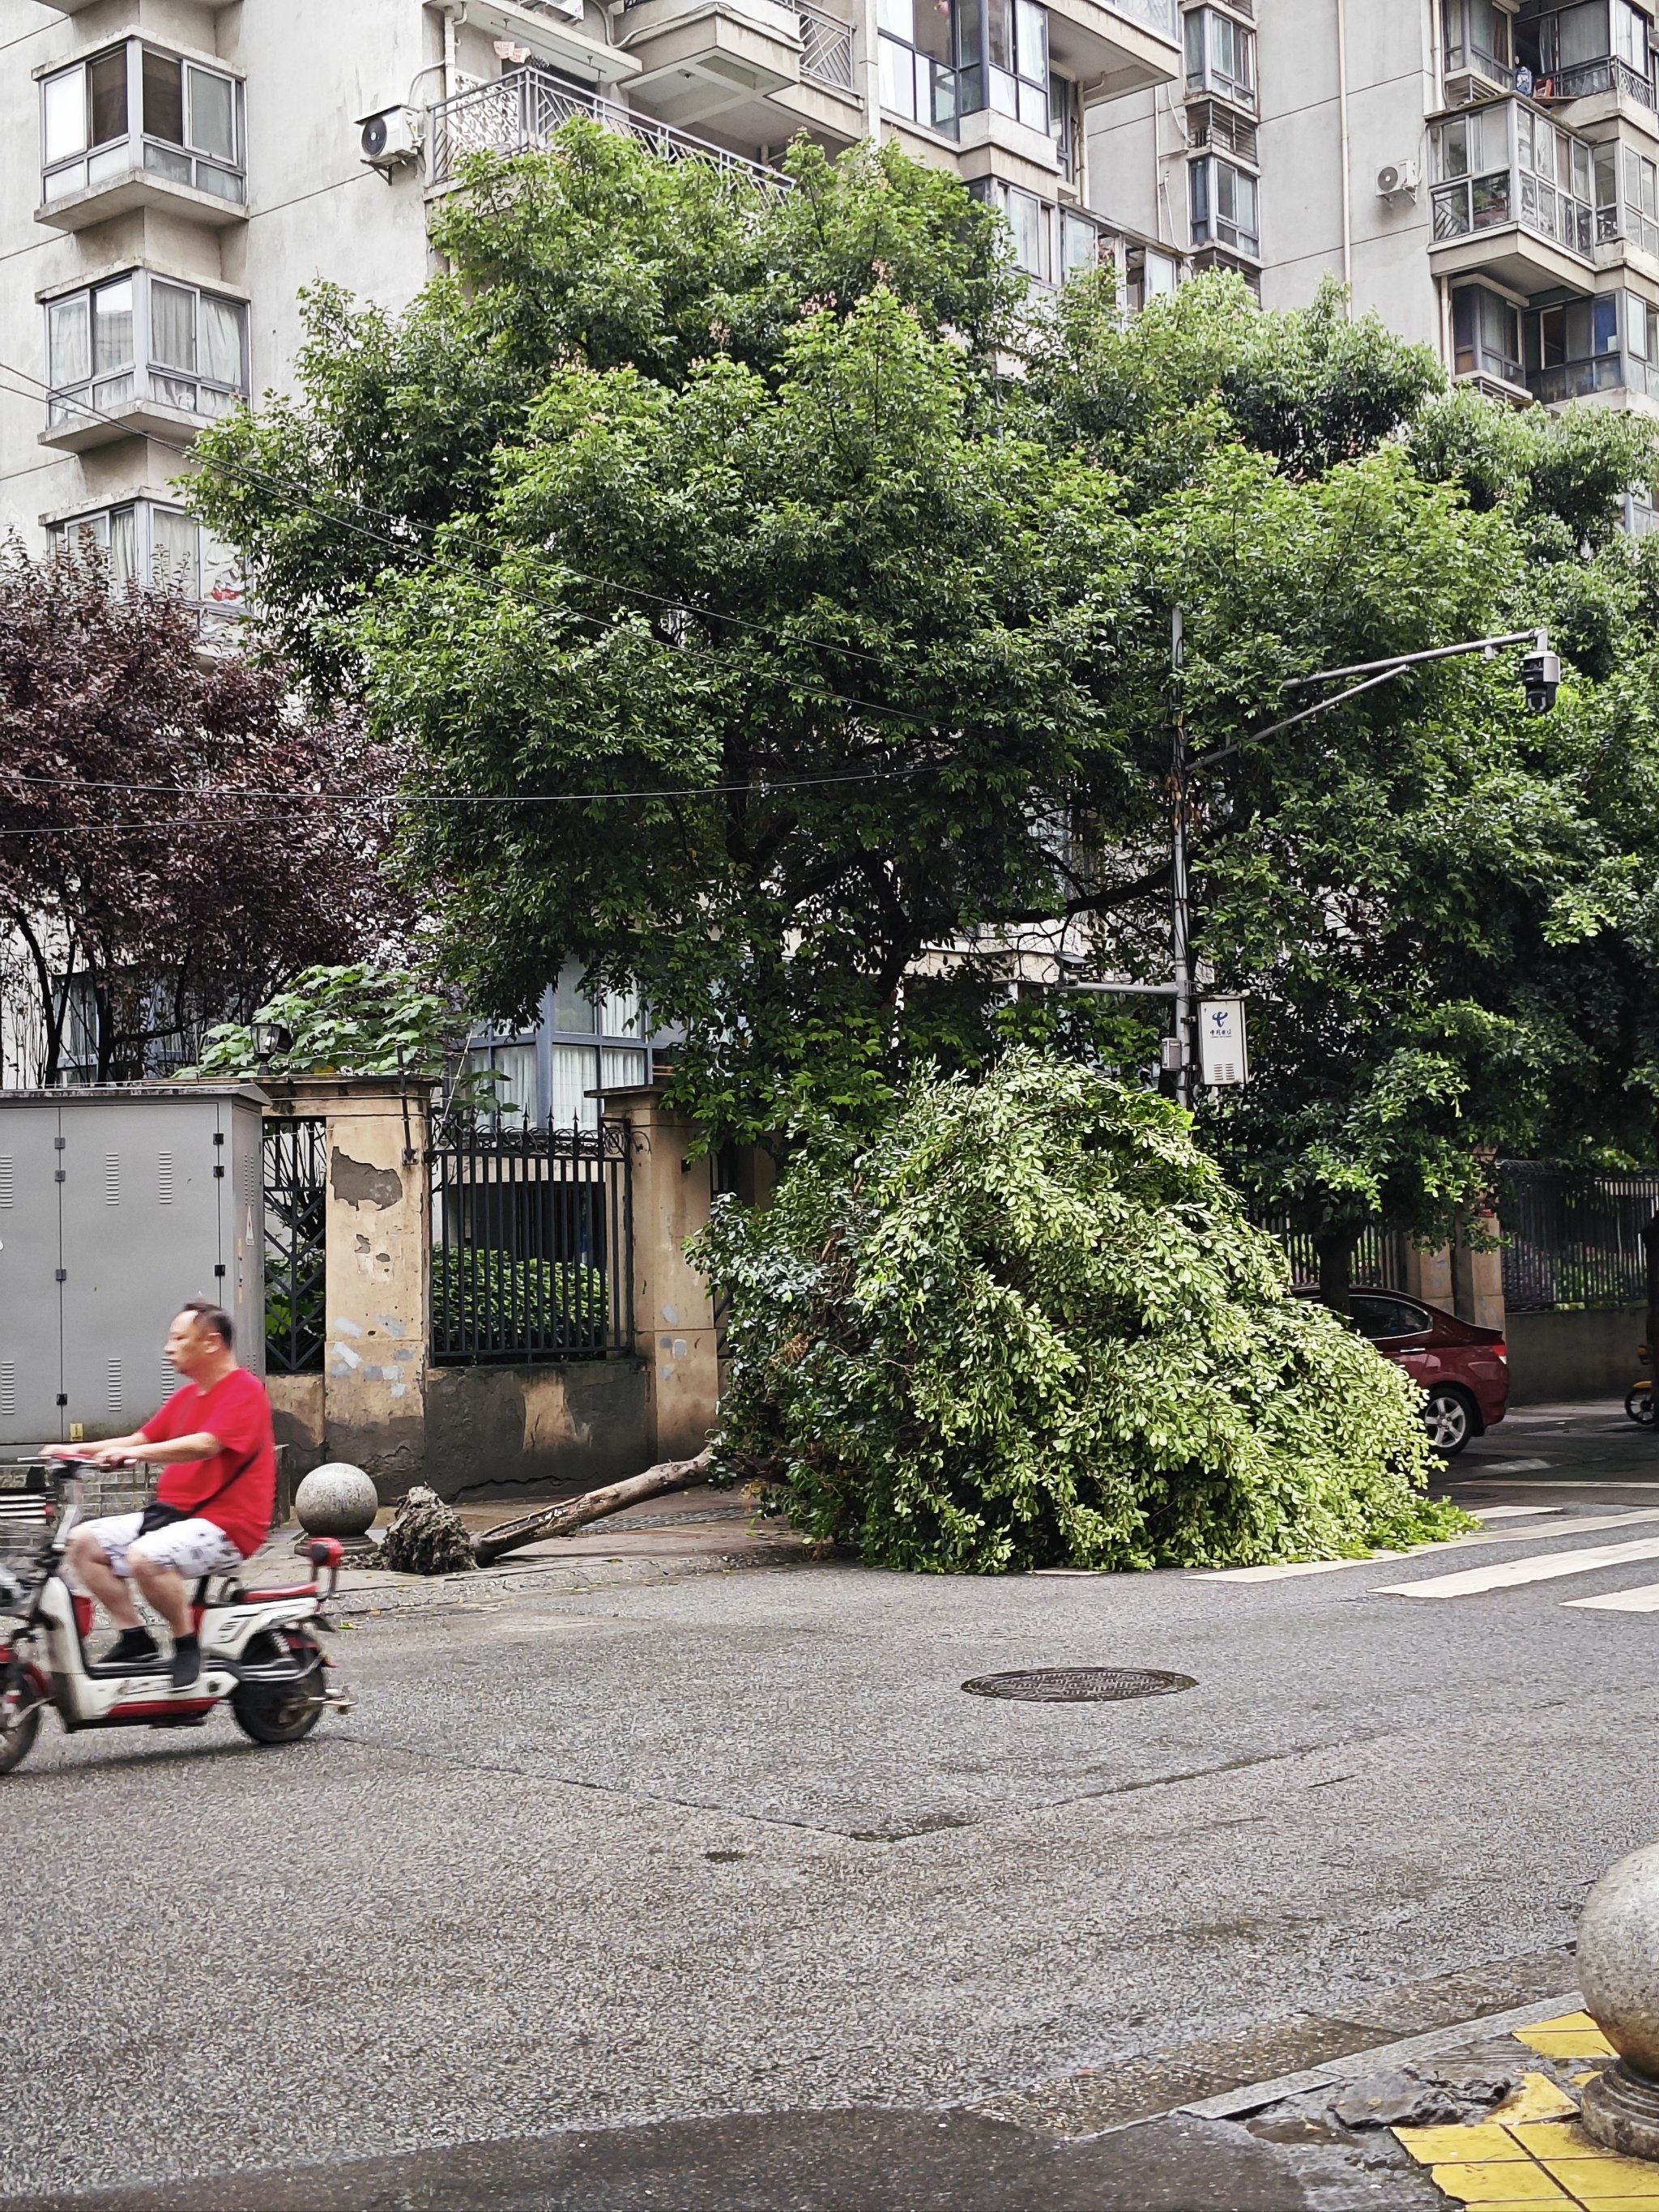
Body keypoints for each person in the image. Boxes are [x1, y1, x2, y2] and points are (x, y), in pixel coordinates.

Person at [48, 1300, 276, 1689]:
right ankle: (134, 1637)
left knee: (145, 1557)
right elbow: (141, 1438)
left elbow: (206, 1444)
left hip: (227, 1527)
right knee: (82, 1543)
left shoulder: (244, 1390)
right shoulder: (187, 1398)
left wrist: (132, 1455)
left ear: (211, 1343)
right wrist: (71, 1450)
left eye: (178, 1338)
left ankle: (185, 1641)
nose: (168, 1348)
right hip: (174, 1516)